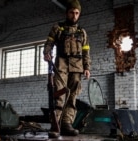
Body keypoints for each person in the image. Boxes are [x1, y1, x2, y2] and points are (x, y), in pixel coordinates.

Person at [43, 0, 91, 138]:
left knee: (72, 96)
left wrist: (87, 67)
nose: (74, 16)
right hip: (61, 65)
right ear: (67, 13)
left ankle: (66, 124)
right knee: (59, 94)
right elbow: (49, 43)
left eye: (77, 13)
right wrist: (47, 53)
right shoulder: (58, 28)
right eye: (72, 12)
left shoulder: (82, 32)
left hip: (77, 67)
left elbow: (86, 52)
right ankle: (55, 125)